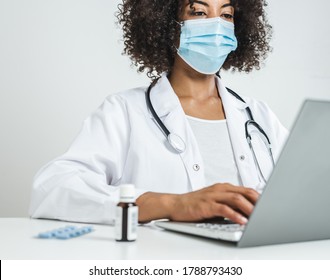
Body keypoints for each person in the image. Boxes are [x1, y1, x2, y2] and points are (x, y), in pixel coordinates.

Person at [29, 0, 288, 226]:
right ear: (167, 24)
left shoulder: (258, 116)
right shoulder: (124, 111)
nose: (216, 25)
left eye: (226, 15)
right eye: (198, 13)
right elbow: (52, 188)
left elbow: (303, 192)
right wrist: (173, 205)